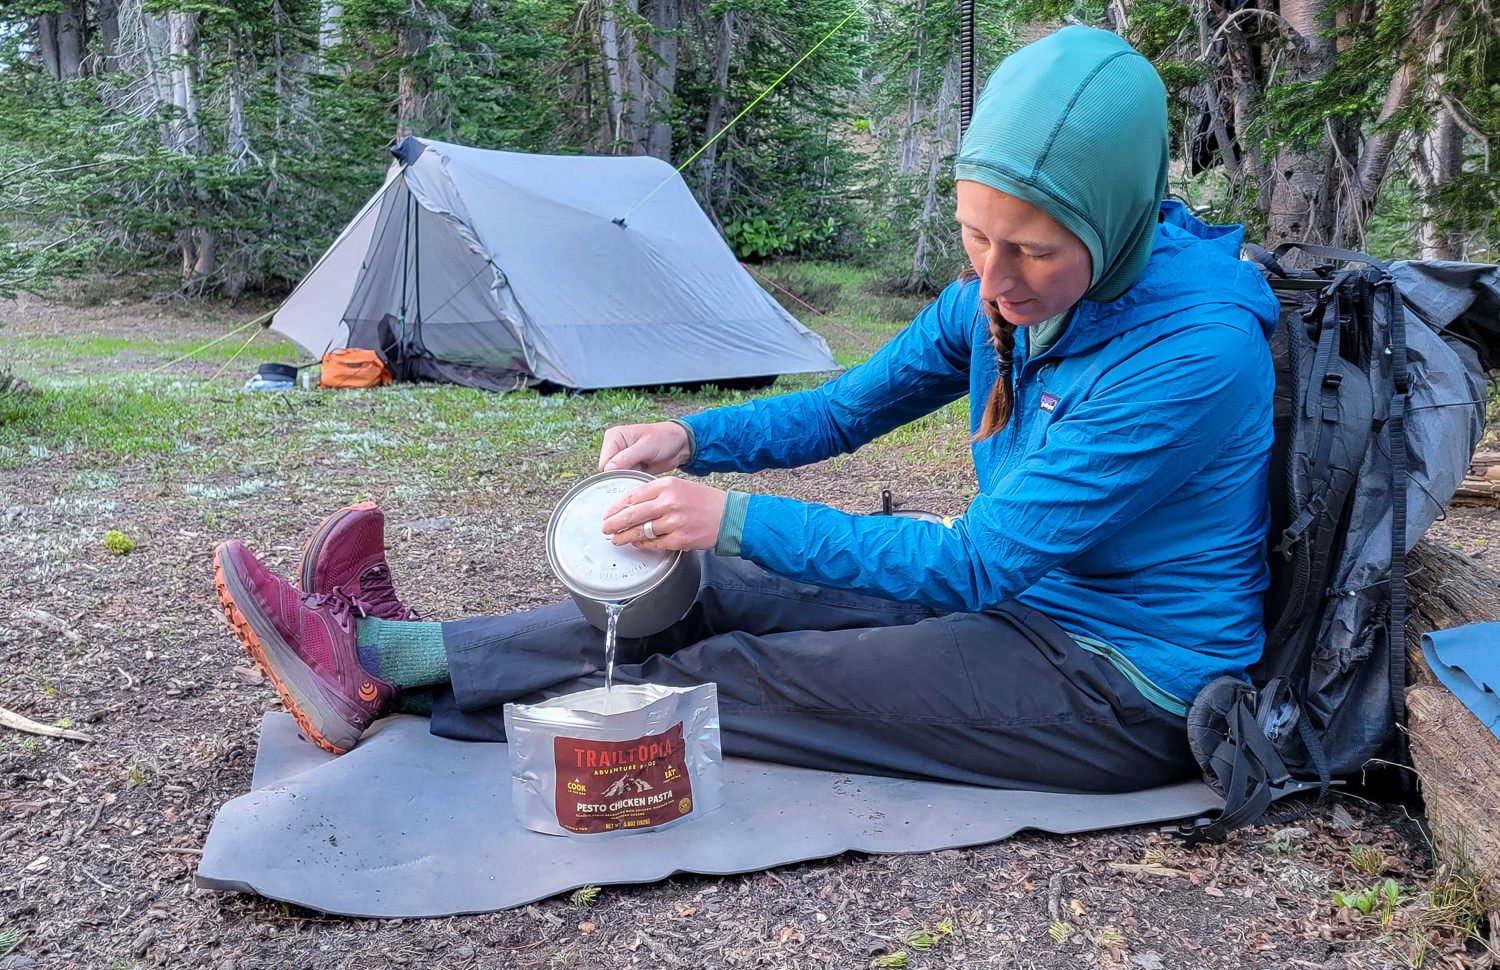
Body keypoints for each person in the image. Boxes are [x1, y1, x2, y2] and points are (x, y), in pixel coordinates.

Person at [213, 25, 1278, 793]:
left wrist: (727, 511)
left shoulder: (1195, 352)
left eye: (1034, 251)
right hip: (1023, 600)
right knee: (700, 587)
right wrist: (694, 439)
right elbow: (847, 410)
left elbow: (977, 564)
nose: (994, 277)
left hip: (1116, 679)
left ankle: (387, 677)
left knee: (742, 669)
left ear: (1117, 220)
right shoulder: (1004, 304)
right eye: (974, 235)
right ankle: (391, 659)